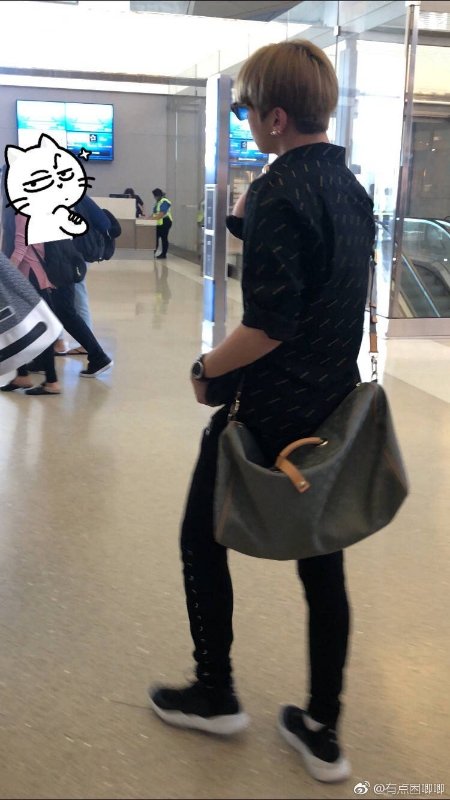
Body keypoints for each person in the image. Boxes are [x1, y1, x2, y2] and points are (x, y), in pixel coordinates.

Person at [148, 40, 376, 784]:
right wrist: (251, 217)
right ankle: (324, 729)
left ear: (276, 118)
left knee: (200, 538)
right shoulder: (349, 184)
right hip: (330, 410)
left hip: (266, 409)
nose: (245, 120)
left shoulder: (281, 189)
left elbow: (271, 323)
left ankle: (215, 692)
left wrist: (205, 368)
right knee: (322, 561)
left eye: (247, 109)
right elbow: (320, 268)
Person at [1, 212, 61, 395]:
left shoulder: (23, 213)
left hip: (27, 278)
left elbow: (21, 247)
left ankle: (52, 381)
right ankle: (22, 375)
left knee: (37, 328)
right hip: (32, 276)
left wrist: (6, 273)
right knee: (21, 327)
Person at [151, 188, 172, 259]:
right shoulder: (158, 202)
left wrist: (152, 219)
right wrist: (148, 219)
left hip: (165, 222)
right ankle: (153, 252)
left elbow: (162, 213)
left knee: (164, 238)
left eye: (155, 196)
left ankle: (163, 254)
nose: (154, 198)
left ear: (158, 195)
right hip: (159, 223)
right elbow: (154, 213)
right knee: (155, 238)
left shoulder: (164, 201)